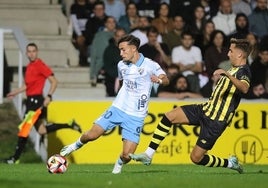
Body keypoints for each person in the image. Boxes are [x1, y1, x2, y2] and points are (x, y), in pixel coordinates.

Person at [129, 38, 252, 174]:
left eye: (231, 51)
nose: (228, 54)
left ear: (240, 55)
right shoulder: (234, 68)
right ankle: (148, 154)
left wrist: (226, 74)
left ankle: (230, 163)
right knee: (170, 116)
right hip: (206, 109)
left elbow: (244, 88)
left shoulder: (243, 71)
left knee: (196, 158)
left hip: (216, 120)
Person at [59, 35, 170, 174]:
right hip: (118, 108)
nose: (121, 53)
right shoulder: (121, 65)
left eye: (123, 50)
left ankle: (118, 163)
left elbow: (166, 79)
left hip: (136, 115)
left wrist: (158, 81)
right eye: (120, 50)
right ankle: (74, 146)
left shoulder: (150, 65)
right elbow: (123, 82)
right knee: (92, 135)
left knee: (127, 155)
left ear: (133, 49)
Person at [4, 43, 82, 164]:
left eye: (33, 51)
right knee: (41, 130)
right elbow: (27, 85)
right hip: (30, 101)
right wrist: (15, 92)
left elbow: (54, 81)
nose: (31, 53)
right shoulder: (30, 66)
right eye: (29, 51)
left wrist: (49, 96)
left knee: (24, 128)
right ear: (26, 53)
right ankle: (69, 124)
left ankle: (15, 158)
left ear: (37, 51)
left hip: (36, 102)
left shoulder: (40, 65)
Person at [103, 27, 126, 96]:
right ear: (114, 37)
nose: (120, 38)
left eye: (122, 36)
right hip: (113, 78)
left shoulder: (132, 49)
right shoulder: (109, 50)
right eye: (118, 36)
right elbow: (108, 68)